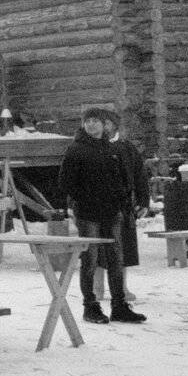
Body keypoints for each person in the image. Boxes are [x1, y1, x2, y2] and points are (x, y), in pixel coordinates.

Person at [59, 108, 146, 325]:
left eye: (95, 121)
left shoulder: (111, 148)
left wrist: (122, 201)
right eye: (87, 121)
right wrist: (83, 199)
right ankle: (91, 306)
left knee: (116, 260)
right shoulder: (76, 149)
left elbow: (123, 179)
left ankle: (119, 306)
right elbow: (65, 182)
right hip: (88, 214)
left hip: (112, 213)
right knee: (90, 260)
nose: (91, 125)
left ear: (104, 124)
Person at [101, 109, 148, 303]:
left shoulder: (127, 148)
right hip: (96, 205)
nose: (102, 126)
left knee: (123, 248)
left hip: (123, 206)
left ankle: (121, 288)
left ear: (114, 125)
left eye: (106, 123)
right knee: (96, 249)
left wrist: (143, 201)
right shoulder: (89, 147)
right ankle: (97, 289)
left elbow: (140, 176)